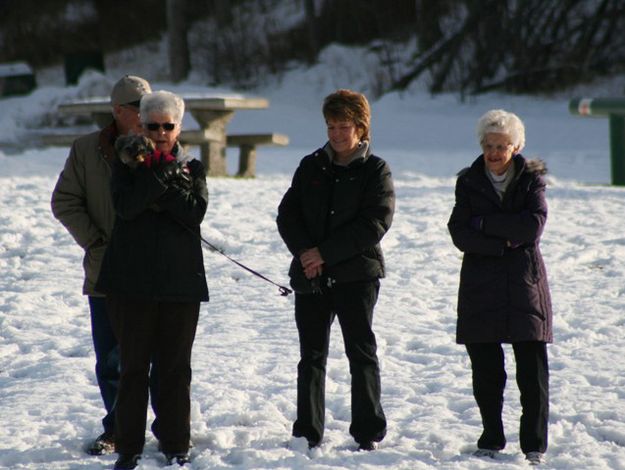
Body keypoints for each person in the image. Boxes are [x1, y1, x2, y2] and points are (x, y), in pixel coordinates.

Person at [95, 90, 208, 470]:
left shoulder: (193, 166)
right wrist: (162, 178)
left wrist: (156, 191)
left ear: (179, 127)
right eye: (153, 125)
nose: (160, 133)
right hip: (131, 284)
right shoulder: (125, 162)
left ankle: (176, 441)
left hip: (180, 283)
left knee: (175, 369)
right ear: (141, 125)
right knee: (132, 369)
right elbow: (126, 208)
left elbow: (193, 213)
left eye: (168, 126)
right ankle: (128, 446)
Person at [276, 89, 395, 451]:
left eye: (343, 127)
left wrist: (324, 253)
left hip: (357, 275)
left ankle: (367, 431)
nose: (336, 135)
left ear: (360, 128)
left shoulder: (376, 170)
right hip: (310, 277)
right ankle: (307, 431)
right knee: (311, 355)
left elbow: (375, 223)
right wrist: (305, 255)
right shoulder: (310, 165)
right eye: (331, 126)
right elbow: (288, 214)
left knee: (361, 352)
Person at [51, 75, 153, 456]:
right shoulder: (85, 149)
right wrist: (95, 241)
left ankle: (168, 427)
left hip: (154, 272)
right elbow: (64, 201)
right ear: (118, 111)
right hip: (105, 270)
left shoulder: (162, 144)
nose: (145, 118)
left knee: (159, 358)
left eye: (149, 108)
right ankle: (117, 429)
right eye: (137, 110)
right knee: (111, 358)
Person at [447, 109, 552, 466]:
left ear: (516, 147)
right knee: (486, 371)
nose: (494, 153)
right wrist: (500, 242)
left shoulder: (532, 180)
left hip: (524, 285)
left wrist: (484, 224)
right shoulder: (468, 181)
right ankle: (491, 436)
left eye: (502, 146)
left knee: (531, 372)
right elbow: (459, 231)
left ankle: (534, 443)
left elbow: (532, 227)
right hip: (480, 287)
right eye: (489, 145)